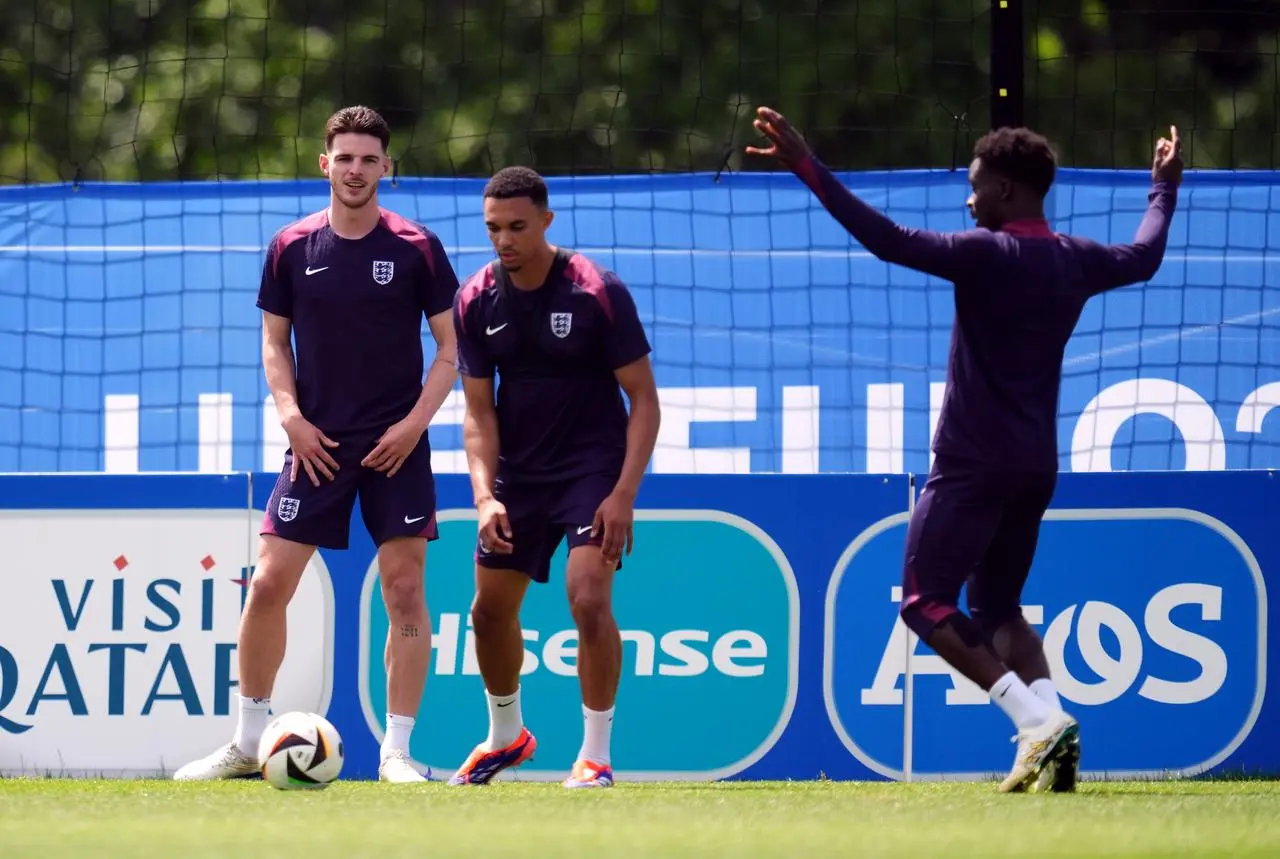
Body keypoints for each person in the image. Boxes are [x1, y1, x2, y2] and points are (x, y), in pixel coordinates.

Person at [748, 106, 1182, 792]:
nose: (969, 197)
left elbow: (887, 239)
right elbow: (1147, 255)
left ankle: (1035, 722)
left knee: (924, 601)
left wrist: (807, 163)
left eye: (977, 185)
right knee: (1001, 608)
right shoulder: (1077, 259)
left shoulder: (985, 253)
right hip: (1035, 464)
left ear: (1007, 190)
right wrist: (1164, 188)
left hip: (972, 462)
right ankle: (1053, 736)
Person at [174, 105, 461, 784]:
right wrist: (291, 416)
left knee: (404, 590)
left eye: (370, 158)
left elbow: (452, 349)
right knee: (269, 582)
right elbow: (275, 342)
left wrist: (415, 423)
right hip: (315, 444)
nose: (356, 169)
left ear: (387, 167)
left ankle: (397, 752)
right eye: (346, 157)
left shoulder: (417, 247)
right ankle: (248, 741)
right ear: (323, 163)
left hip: (397, 445)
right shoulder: (291, 246)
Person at [448, 166, 661, 789]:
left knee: (589, 598)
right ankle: (506, 737)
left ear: (547, 220)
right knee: (487, 614)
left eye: (517, 226)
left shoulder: (597, 290)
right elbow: (478, 412)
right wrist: (484, 496)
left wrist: (623, 494)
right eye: (493, 228)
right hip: (518, 474)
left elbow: (643, 401)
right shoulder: (474, 299)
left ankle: (595, 758)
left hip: (590, 469)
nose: (505, 239)